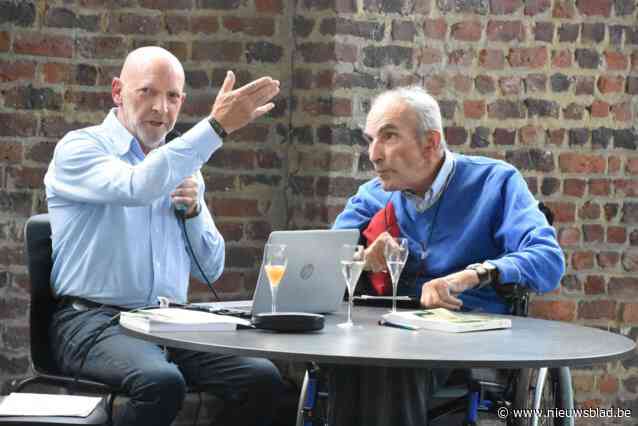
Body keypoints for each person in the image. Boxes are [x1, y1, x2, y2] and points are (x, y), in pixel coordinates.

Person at [44, 46, 284, 426]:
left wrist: (194, 212)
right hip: (92, 322)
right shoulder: (80, 148)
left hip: (168, 322)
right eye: (147, 92)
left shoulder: (184, 162)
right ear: (117, 92)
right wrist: (216, 127)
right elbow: (137, 185)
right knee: (160, 383)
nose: (161, 107)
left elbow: (211, 269)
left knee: (264, 379)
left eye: (172, 96)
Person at [329, 86, 565, 425]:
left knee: (395, 362)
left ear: (430, 143)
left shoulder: (494, 182)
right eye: (370, 140)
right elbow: (325, 255)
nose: (374, 154)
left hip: (467, 333)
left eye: (389, 137)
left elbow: (547, 259)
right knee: (344, 357)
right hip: (386, 327)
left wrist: (473, 275)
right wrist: (363, 257)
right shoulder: (375, 194)